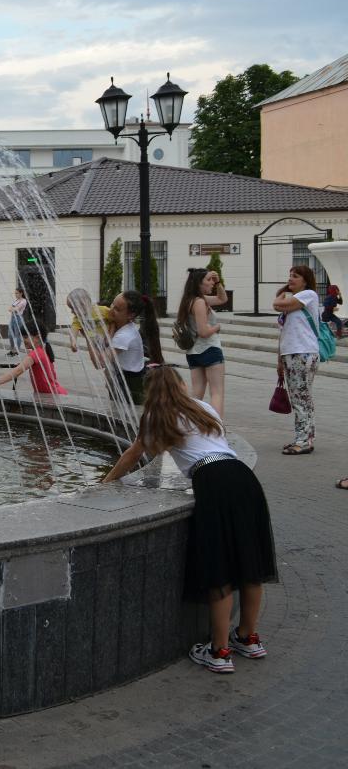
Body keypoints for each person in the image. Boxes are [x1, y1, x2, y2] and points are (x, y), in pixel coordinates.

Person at [102, 366, 276, 674]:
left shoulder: (157, 417)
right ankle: (248, 637)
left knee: (219, 566)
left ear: (150, 393)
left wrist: (105, 483)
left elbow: (133, 455)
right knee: (251, 560)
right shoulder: (203, 407)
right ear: (181, 385)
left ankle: (219, 651)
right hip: (243, 478)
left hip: (213, 482)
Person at [273, 265, 321, 455]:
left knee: (301, 399)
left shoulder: (309, 295)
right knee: (301, 398)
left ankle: (303, 441)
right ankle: (305, 437)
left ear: (305, 281)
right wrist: (279, 360)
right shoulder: (292, 301)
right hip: (291, 353)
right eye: (290, 276)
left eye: (296, 276)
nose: (291, 279)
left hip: (303, 353)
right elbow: (283, 332)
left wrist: (281, 293)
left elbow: (276, 304)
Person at [177, 268, 229, 417]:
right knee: (217, 393)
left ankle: (190, 425)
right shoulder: (200, 302)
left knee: (197, 395)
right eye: (208, 280)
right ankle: (217, 429)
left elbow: (222, 299)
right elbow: (203, 332)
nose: (211, 283)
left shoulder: (189, 300)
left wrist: (219, 283)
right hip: (209, 349)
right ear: (199, 284)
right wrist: (217, 327)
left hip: (193, 352)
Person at [103, 290, 163, 406]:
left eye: (117, 309)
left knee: (127, 418)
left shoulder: (125, 336)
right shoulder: (120, 328)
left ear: (131, 315)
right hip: (125, 379)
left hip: (129, 385)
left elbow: (100, 361)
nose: (111, 310)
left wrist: (87, 335)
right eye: (112, 305)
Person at [0, 324, 66, 395]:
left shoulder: (36, 353)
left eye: (25, 337)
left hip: (53, 396)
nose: (23, 340)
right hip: (53, 394)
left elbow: (18, 370)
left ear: (38, 337)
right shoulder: (42, 350)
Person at [66, 288, 109, 366]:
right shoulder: (78, 318)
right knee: (98, 363)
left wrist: (110, 334)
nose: (72, 312)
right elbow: (74, 330)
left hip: (107, 340)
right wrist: (73, 342)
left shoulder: (102, 310)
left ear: (82, 304)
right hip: (94, 342)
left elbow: (114, 320)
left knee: (105, 361)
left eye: (73, 308)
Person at [7, 288, 28, 356]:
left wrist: (13, 309)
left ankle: (16, 350)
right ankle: (12, 349)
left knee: (17, 334)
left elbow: (16, 309)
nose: (16, 294)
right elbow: (10, 308)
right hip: (12, 318)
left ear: (21, 293)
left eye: (17, 293)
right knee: (10, 334)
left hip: (18, 318)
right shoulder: (16, 301)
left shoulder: (23, 301)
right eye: (15, 293)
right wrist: (12, 309)